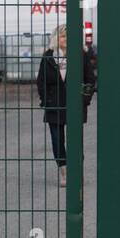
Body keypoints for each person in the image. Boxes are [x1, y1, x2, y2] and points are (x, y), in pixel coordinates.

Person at [36, 25, 95, 188]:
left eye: (69, 37)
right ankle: (64, 173)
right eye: (63, 36)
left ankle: (77, 173)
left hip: (75, 105)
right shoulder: (48, 57)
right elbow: (41, 82)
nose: (66, 40)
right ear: (56, 38)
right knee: (57, 140)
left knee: (76, 141)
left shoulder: (80, 55)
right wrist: (46, 101)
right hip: (54, 106)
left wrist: (85, 100)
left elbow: (90, 79)